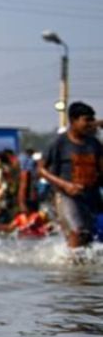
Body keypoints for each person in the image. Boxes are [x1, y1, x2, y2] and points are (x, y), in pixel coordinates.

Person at [38, 101, 102, 249]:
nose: (90, 124)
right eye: (87, 120)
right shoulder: (60, 143)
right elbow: (41, 169)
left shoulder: (94, 143)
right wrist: (65, 185)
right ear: (73, 120)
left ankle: (85, 271)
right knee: (77, 232)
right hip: (68, 197)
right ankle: (72, 270)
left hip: (92, 196)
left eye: (92, 119)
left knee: (91, 237)